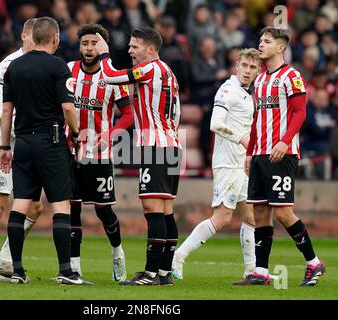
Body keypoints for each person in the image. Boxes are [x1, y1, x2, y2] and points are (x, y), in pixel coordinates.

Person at [0, 17, 91, 285]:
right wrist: (75, 134)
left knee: (20, 204)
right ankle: (66, 271)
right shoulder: (58, 66)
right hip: (50, 142)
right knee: (60, 204)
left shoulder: (14, 67)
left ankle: (16, 271)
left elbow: (7, 112)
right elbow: (68, 108)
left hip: (23, 143)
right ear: (55, 38)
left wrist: (6, 146)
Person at [234, 27, 326, 286]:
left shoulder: (292, 76)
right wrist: (250, 152)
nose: (260, 45)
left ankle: (314, 263)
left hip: (281, 154)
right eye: (260, 40)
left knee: (284, 212)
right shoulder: (260, 79)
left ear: (281, 47)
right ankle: (261, 272)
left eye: (266, 41)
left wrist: (285, 142)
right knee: (260, 212)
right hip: (260, 153)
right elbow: (256, 120)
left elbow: (300, 113)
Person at [95, 26, 182, 285]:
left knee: (153, 209)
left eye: (135, 46)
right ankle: (164, 273)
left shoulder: (151, 68)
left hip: (156, 147)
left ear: (151, 49)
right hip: (171, 145)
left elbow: (110, 76)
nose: (130, 50)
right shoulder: (168, 72)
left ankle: (150, 273)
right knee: (166, 210)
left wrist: (103, 54)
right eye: (130, 45)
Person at [171, 48, 261, 281]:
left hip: (241, 163)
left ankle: (251, 272)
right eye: (244, 65)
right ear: (236, 66)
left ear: (258, 70)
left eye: (252, 67)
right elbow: (215, 123)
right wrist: (241, 138)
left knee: (251, 217)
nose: (247, 71)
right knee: (222, 218)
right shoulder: (228, 89)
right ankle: (178, 256)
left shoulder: (245, 93)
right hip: (228, 164)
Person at [0, 19, 43, 283]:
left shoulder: (42, 64)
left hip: (28, 141)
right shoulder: (9, 64)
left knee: (35, 207)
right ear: (23, 35)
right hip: (4, 140)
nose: (34, 40)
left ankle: (5, 261)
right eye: (30, 35)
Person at [66, 24, 134, 281]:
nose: (89, 48)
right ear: (79, 46)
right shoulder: (69, 71)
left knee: (103, 210)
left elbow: (128, 114)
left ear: (103, 47)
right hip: (71, 152)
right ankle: (74, 267)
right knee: (71, 208)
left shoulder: (114, 76)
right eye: (85, 43)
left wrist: (110, 133)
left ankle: (117, 252)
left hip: (99, 154)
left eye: (94, 43)